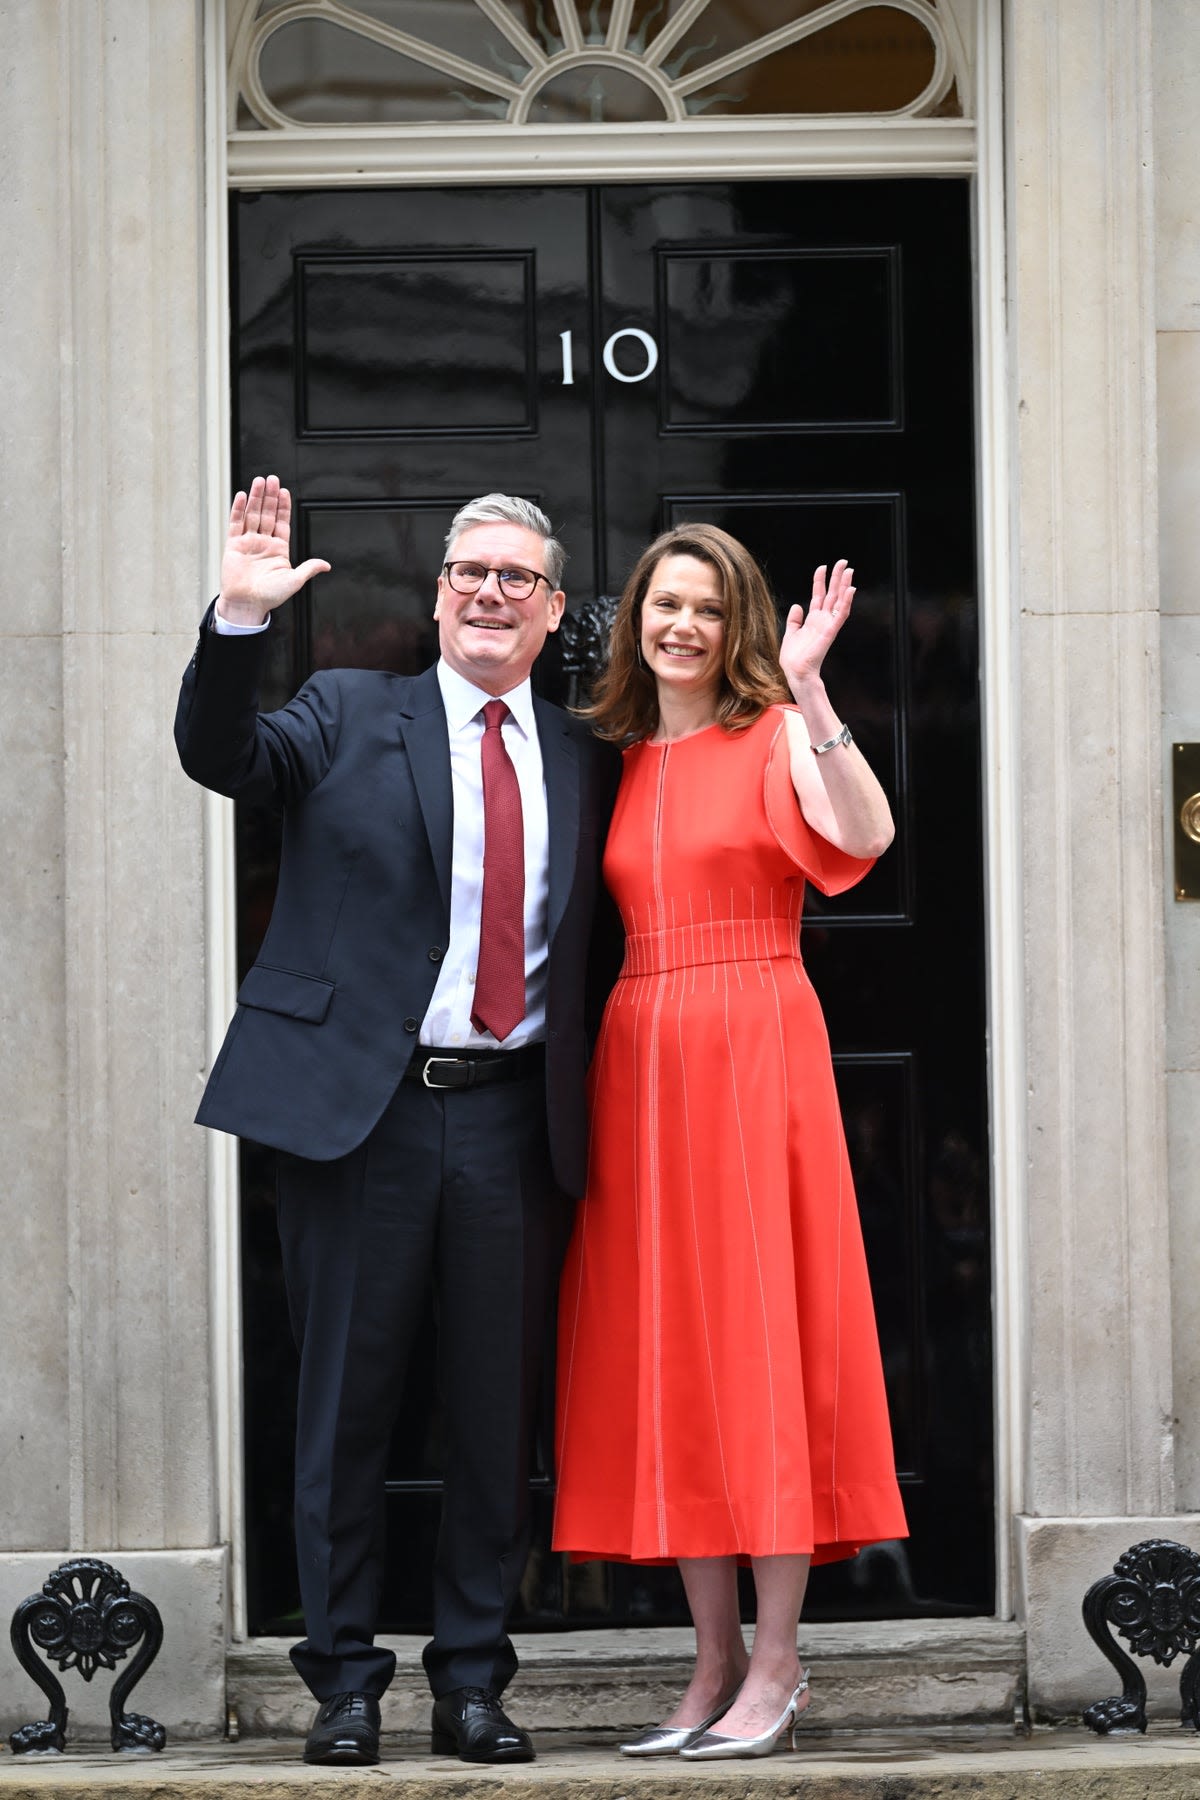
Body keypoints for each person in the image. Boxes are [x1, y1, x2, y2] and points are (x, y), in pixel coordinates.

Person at [175, 475, 619, 1768]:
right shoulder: (348, 708)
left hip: (508, 1125)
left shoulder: (591, 748)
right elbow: (224, 758)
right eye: (470, 573)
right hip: (358, 1119)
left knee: (494, 1416)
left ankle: (474, 1681)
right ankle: (346, 1684)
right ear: (437, 599)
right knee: (347, 1411)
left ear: (548, 612)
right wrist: (238, 623)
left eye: (517, 579)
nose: (490, 593)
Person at [551, 523, 908, 1760]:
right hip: (644, 1056)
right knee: (678, 1355)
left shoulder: (771, 736)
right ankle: (706, 1666)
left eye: (707, 606)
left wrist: (812, 690)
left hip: (755, 1043)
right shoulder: (620, 755)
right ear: (635, 621)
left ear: (739, 622)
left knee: (759, 1346)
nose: (683, 626)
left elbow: (864, 837)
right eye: (664, 604)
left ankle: (777, 1662)